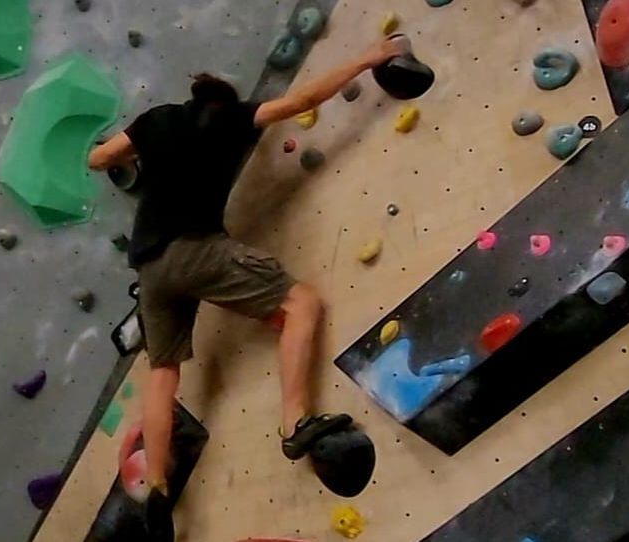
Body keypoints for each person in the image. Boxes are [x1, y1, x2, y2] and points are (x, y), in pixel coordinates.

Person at [88, 38, 402, 538]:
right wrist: (370, 57)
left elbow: (101, 159)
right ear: (224, 101)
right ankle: (295, 422)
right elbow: (302, 101)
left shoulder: (156, 119)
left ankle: (157, 487)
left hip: (149, 269)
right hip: (197, 248)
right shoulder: (233, 118)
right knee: (301, 303)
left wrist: (123, 155)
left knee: (163, 372)